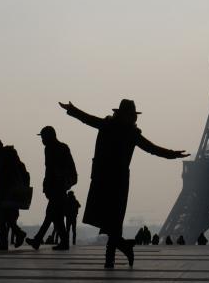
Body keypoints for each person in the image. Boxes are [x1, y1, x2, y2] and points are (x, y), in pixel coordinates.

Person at [60, 99, 188, 268]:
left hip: (104, 177)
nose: (134, 119)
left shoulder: (111, 127)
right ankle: (118, 250)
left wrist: (73, 109)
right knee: (113, 220)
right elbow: (152, 148)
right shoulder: (129, 132)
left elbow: (88, 119)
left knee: (111, 220)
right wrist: (172, 154)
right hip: (116, 179)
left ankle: (111, 256)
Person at [26, 126, 76, 251]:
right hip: (54, 187)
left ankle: (38, 240)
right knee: (55, 217)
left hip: (58, 187)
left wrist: (60, 179)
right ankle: (61, 242)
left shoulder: (58, 148)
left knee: (51, 215)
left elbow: (65, 167)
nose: (42, 140)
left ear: (49, 136)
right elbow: (48, 170)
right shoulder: (50, 149)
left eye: (43, 137)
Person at [0, 139, 28, 251]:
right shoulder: (9, 155)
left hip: (6, 191)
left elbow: (3, 175)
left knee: (2, 218)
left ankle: (7, 240)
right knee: (8, 218)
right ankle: (14, 236)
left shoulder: (2, 157)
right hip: (11, 190)